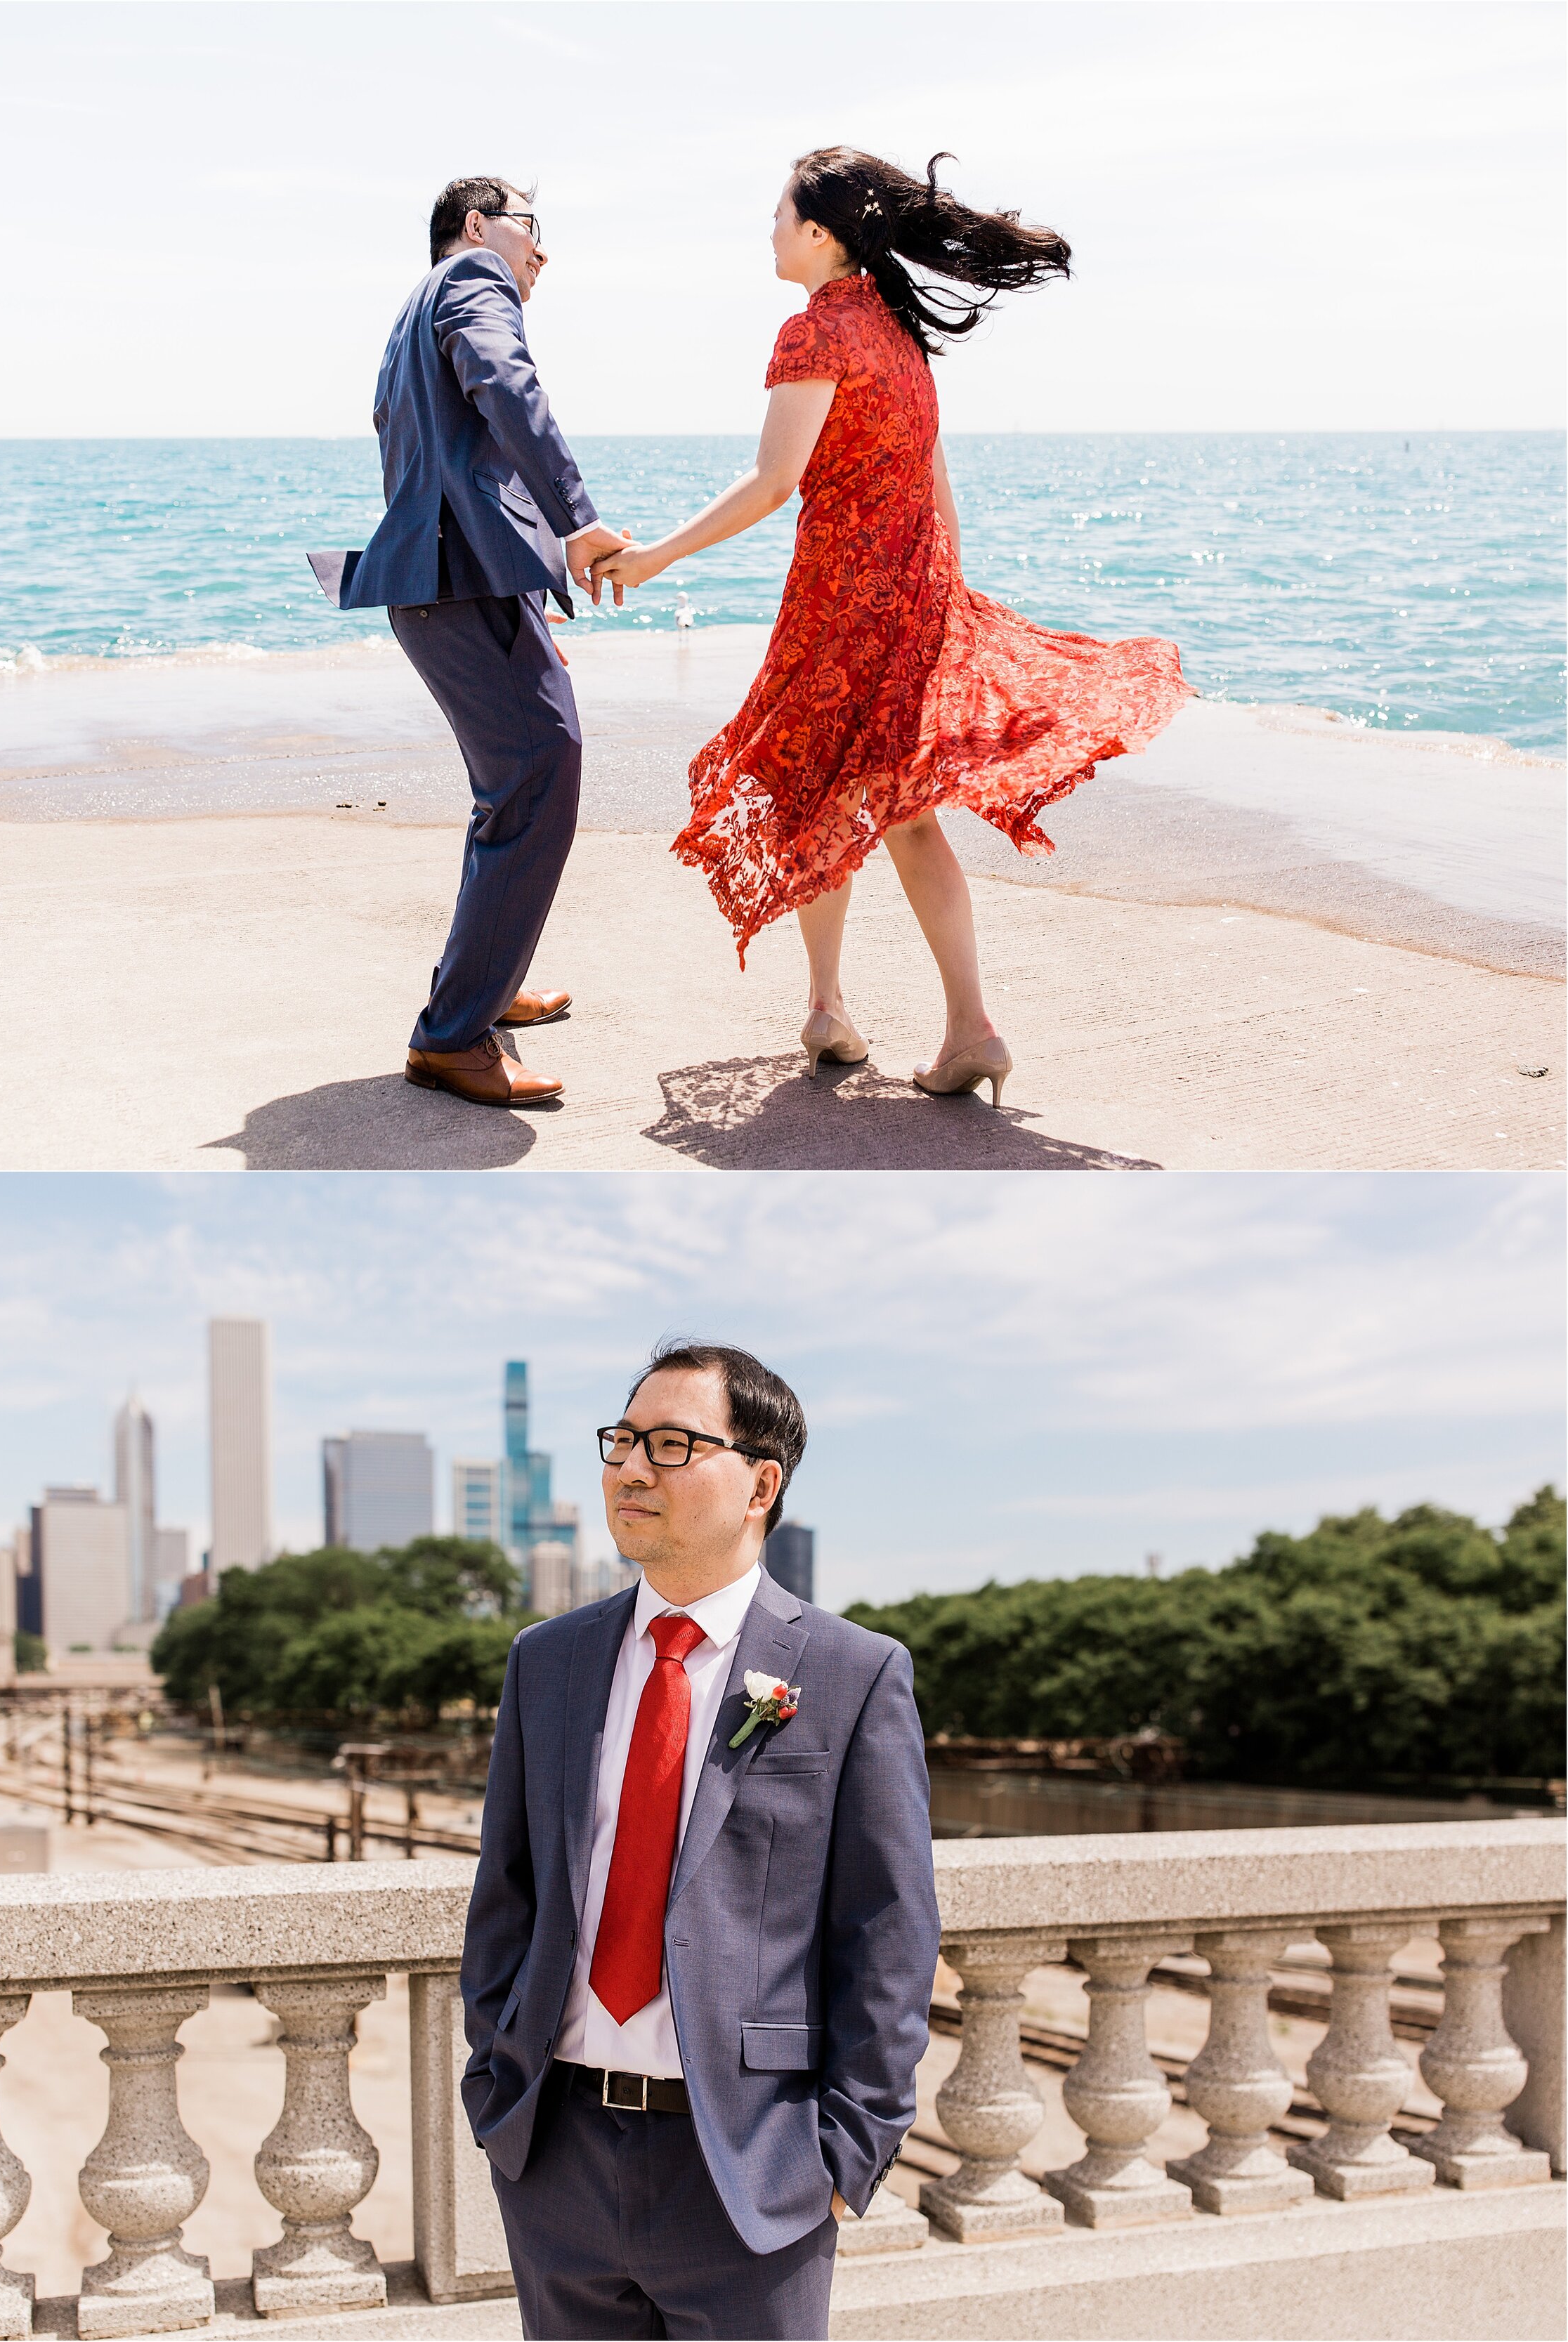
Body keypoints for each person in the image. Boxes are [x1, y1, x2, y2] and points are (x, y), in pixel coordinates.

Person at [592, 148, 1191, 1104]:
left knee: (818, 795)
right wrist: (944, 600)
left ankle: (868, 1009)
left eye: (781, 215)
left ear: (821, 233)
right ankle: (932, 1021)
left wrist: (658, 554)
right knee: (891, 815)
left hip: (840, 608)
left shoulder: (815, 333)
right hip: (908, 598)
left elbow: (775, 481)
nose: (772, 230)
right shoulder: (898, 336)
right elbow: (938, 488)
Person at [460, 1341, 939, 2342]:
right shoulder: (545, 1661)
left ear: (761, 1481)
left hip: (750, 2178)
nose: (632, 1468)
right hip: (558, 2162)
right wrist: (495, 2085)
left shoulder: (854, 1673)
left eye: (673, 1444)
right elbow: (508, 1893)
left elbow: (889, 1935)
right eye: (623, 1439)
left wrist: (845, 2158)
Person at [307, 177, 632, 1108]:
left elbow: (448, 461)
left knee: (514, 783)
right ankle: (452, 1037)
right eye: (533, 229)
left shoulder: (414, 314)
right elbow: (508, 390)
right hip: (456, 582)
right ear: (479, 225)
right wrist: (579, 522)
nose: (541, 254)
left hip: (458, 581)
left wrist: (527, 591)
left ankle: (483, 990)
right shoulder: (471, 276)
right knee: (540, 770)